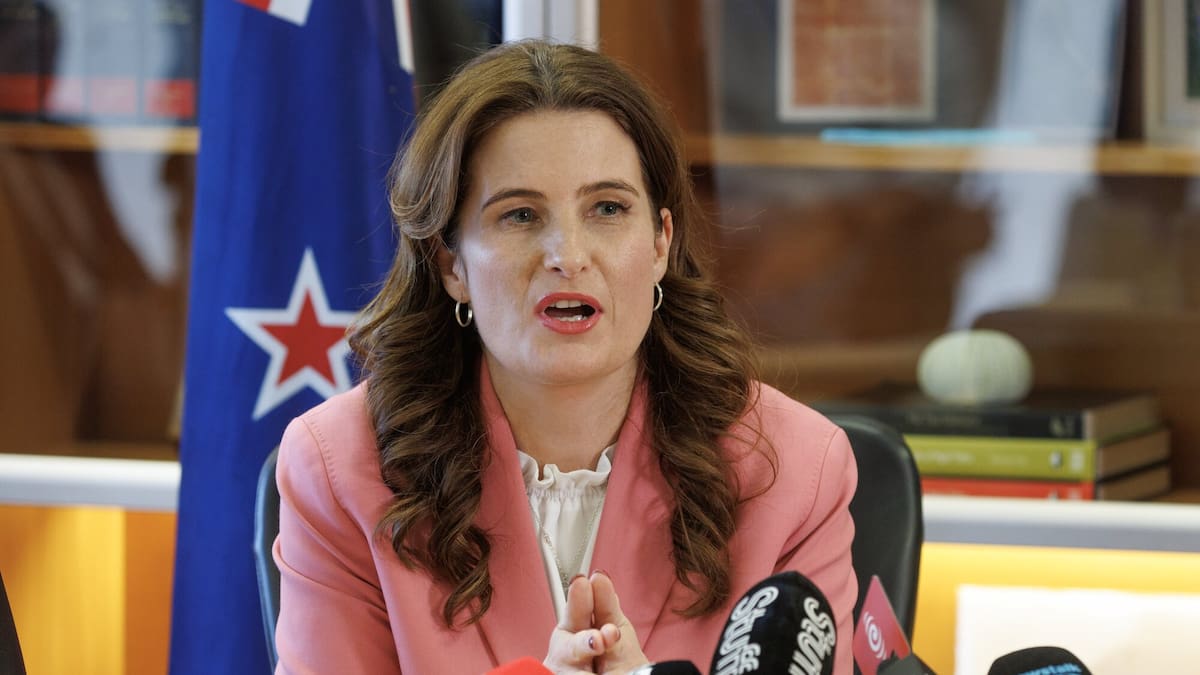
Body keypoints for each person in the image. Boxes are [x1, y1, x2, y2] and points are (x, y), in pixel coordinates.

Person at [272, 40, 857, 674]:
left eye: (608, 209)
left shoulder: (794, 469)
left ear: (660, 243)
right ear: (451, 265)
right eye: (520, 215)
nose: (568, 256)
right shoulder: (342, 469)